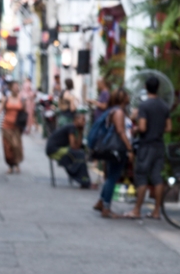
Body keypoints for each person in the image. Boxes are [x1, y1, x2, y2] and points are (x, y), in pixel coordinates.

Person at [126, 74, 171, 219]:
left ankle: (137, 210)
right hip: (159, 145)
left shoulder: (144, 105)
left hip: (146, 145)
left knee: (142, 176)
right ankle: (157, 211)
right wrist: (157, 129)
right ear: (158, 88)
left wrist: (136, 129)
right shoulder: (164, 106)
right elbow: (168, 128)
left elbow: (143, 127)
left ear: (146, 87)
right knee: (157, 177)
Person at [95, 88, 133, 218]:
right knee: (113, 177)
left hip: (113, 147)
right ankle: (106, 207)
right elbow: (121, 131)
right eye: (127, 95)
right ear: (123, 98)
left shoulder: (116, 111)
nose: (129, 97)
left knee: (111, 176)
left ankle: (101, 202)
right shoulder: (118, 112)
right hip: (118, 148)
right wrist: (129, 149)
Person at [45, 111, 91, 188]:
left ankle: (83, 179)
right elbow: (73, 146)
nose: (84, 122)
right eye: (82, 120)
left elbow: (78, 146)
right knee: (78, 154)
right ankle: (83, 179)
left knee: (79, 152)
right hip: (53, 150)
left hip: (60, 148)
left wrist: (80, 131)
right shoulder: (71, 127)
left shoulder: (75, 128)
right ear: (76, 120)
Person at [0, 80, 26, 173]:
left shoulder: (22, 99)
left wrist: (25, 125)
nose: (16, 89)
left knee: (16, 145)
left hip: (17, 127)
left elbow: (25, 113)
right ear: (10, 88)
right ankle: (10, 165)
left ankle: (17, 163)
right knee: (7, 146)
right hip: (6, 125)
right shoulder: (6, 99)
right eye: (14, 87)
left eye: (17, 87)